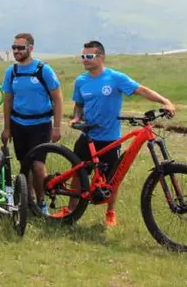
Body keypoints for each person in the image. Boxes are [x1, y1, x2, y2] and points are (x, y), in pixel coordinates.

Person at [59, 40, 176, 226]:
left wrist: (165, 101)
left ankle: (110, 213)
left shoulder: (115, 78)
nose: (85, 60)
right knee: (79, 173)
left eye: (89, 56)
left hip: (110, 138)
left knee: (113, 179)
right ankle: (71, 209)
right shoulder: (81, 81)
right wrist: (75, 118)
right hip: (88, 136)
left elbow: (141, 90)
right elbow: (79, 105)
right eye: (83, 56)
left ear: (101, 57)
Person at [1, 32, 63, 214]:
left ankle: (42, 202)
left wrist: (57, 127)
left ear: (31, 48)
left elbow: (58, 98)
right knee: (25, 164)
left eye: (20, 47)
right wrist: (7, 128)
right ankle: (27, 202)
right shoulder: (12, 72)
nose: (16, 51)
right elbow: (8, 100)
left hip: (41, 125)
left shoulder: (43, 70)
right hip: (18, 124)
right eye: (14, 47)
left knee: (38, 165)